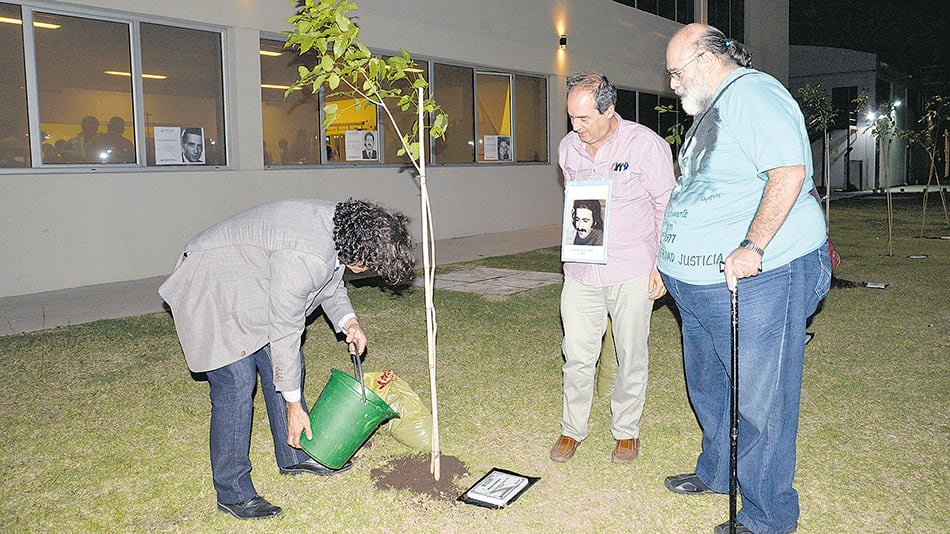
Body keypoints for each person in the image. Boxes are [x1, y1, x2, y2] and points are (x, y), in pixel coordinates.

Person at [658, 24, 830, 534]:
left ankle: (766, 518)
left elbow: (789, 172)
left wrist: (753, 246)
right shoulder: (715, 107)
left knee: (762, 401)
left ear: (708, 59)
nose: (671, 83)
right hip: (699, 286)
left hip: (763, 277)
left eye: (676, 72)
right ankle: (718, 473)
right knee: (710, 385)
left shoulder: (753, 93)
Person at [158, 198, 415, 520]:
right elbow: (285, 329)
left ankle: (293, 454)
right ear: (361, 251)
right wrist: (293, 406)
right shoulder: (305, 255)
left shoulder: (342, 230)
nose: (370, 273)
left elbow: (331, 282)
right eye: (373, 266)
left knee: (283, 366)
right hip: (212, 282)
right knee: (236, 385)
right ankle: (233, 493)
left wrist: (349, 322)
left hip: (248, 279)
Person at [550, 72, 675, 464]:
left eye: (585, 118)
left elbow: (665, 208)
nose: (576, 126)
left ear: (609, 109)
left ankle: (626, 432)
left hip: (632, 269)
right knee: (577, 354)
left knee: (630, 355)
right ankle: (573, 429)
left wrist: (662, 265)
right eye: (572, 117)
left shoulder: (645, 146)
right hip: (582, 271)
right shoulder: (568, 148)